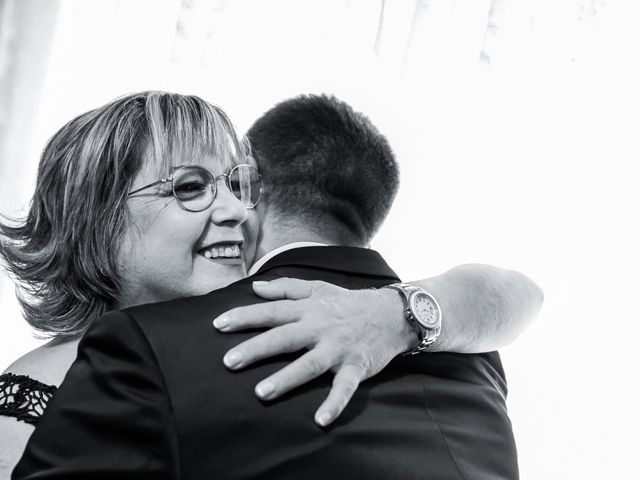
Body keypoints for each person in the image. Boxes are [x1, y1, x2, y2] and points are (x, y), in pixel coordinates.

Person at [11, 93, 540, 479]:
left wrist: (395, 315)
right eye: (191, 188)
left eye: (239, 184)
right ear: (96, 218)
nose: (239, 209)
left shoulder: (336, 318)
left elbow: (517, 294)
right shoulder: (59, 379)